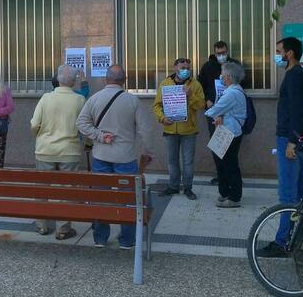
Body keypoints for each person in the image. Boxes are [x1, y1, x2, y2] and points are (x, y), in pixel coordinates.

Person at [77, 65, 153, 249]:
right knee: (128, 199)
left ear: (106, 79)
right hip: (125, 158)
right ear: (124, 81)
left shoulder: (95, 98)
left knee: (101, 197)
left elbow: (81, 123)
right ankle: (127, 240)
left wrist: (99, 136)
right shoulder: (133, 101)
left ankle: (100, 238)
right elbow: (146, 130)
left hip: (100, 156)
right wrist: (147, 152)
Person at [258, 37, 303, 257]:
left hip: (290, 138)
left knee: (288, 194)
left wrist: (293, 140)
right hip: (297, 136)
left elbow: (299, 111)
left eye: (278, 51)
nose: (276, 55)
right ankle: (302, 235)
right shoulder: (299, 74)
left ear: (289, 53)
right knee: (299, 190)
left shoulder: (294, 76)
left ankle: (282, 242)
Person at [31, 64, 86, 240]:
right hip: (70, 151)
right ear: (73, 82)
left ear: (57, 79)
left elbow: (34, 124)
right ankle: (63, 228)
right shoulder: (79, 100)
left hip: (45, 149)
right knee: (66, 191)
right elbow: (84, 126)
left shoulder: (46, 98)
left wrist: (40, 136)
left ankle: (41, 225)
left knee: (42, 189)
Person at [153, 57, 206, 200]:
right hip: (170, 130)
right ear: (175, 68)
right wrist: (162, 118)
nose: (186, 71)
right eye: (183, 68)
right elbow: (157, 105)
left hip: (189, 130)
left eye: (188, 68)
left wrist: (190, 95)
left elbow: (201, 105)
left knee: (188, 162)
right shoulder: (165, 83)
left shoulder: (195, 84)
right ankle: (173, 186)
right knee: (172, 161)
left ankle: (188, 188)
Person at [204, 62, 247, 208]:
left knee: (229, 165)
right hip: (228, 130)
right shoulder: (234, 90)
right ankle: (226, 192)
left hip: (230, 132)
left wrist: (210, 110)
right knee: (224, 164)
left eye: (222, 75)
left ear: (229, 77)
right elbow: (224, 110)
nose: (221, 77)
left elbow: (214, 110)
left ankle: (234, 197)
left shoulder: (232, 93)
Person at [198, 41, 239, 185]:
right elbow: (200, 86)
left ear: (227, 51)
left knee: (231, 144)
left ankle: (231, 176)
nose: (221, 55)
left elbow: (242, 84)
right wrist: (206, 100)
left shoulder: (234, 65)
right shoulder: (208, 67)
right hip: (214, 111)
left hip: (231, 112)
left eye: (224, 52)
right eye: (219, 53)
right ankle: (221, 175)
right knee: (217, 144)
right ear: (214, 53)